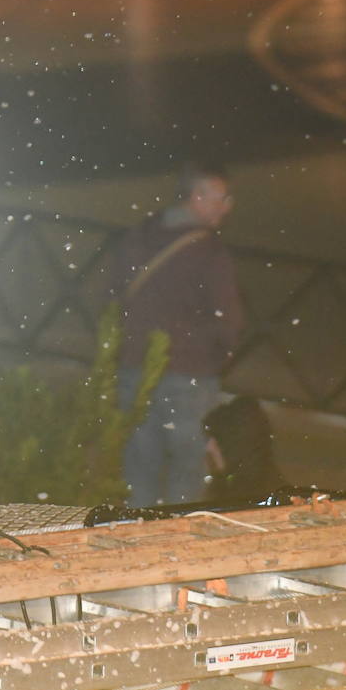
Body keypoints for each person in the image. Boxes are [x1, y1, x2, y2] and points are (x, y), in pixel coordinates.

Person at [113, 161, 245, 507]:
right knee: (188, 470)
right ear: (197, 195)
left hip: (135, 367)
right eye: (223, 197)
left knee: (139, 463)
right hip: (189, 376)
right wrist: (216, 358)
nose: (228, 207)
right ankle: (181, 542)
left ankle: (133, 537)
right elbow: (228, 322)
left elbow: (114, 297)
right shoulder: (209, 252)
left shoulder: (138, 236)